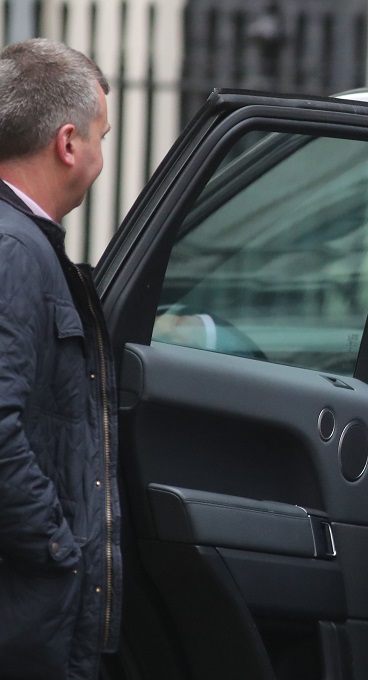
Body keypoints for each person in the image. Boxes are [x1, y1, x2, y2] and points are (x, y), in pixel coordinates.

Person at [0, 38, 120, 679]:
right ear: (68, 143)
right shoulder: (15, 251)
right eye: (101, 136)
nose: (102, 156)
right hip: (24, 615)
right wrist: (55, 546)